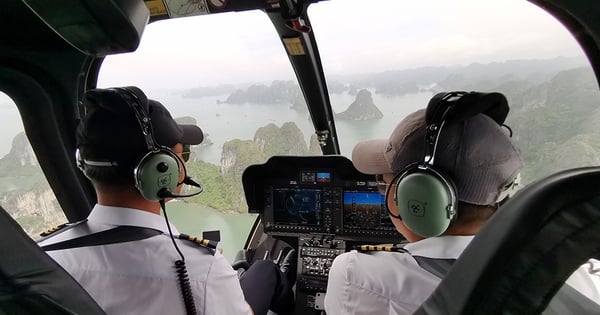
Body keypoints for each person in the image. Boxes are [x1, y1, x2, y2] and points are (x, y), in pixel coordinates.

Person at [39, 86, 294, 315]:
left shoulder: (40, 256)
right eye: (182, 156)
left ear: (83, 165)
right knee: (263, 270)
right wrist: (213, 272)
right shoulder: (199, 268)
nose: (183, 166)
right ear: (161, 169)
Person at [324, 91, 524, 314]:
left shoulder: (356, 273)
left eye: (384, 182)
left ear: (417, 197)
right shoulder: (542, 275)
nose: (382, 191)